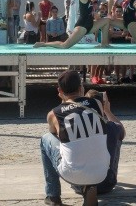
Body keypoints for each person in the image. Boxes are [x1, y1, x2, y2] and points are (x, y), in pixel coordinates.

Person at [41, 70, 110, 206]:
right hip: (102, 170)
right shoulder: (97, 104)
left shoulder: (54, 114)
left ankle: (53, 196)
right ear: (81, 88)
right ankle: (88, 186)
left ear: (59, 90)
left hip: (72, 172)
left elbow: (54, 134)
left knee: (45, 139)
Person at [35, 0, 110, 49]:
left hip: (90, 25)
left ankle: (104, 44)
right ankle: (43, 44)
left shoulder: (90, 0)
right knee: (64, 46)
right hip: (82, 27)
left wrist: (96, 15)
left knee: (106, 20)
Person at [71, 89, 125, 195]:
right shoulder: (112, 127)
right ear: (103, 104)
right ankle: (108, 173)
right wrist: (107, 111)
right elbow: (122, 132)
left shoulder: (74, 125)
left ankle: (53, 194)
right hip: (105, 184)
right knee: (116, 136)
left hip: (79, 184)